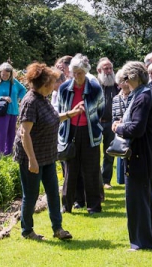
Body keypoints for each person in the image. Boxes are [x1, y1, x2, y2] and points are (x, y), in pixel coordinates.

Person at [14, 62, 83, 241]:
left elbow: (51, 118)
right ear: (44, 84)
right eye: (53, 82)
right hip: (32, 156)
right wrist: (32, 160)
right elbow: (25, 134)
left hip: (48, 155)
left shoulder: (43, 99)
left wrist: (70, 114)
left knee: (53, 192)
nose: (55, 85)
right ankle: (27, 231)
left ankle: (58, 229)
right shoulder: (30, 102)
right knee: (31, 195)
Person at [112, 61, 152, 251]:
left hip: (139, 155)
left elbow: (137, 128)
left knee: (137, 201)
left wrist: (118, 127)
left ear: (132, 77)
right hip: (145, 153)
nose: (122, 83)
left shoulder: (142, 97)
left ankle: (142, 243)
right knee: (146, 199)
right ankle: (151, 238)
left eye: (124, 78)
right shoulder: (147, 93)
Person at [58, 54, 105, 215]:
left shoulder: (94, 88)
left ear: (85, 72)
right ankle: (67, 205)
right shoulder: (64, 88)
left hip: (90, 132)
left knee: (91, 169)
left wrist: (91, 120)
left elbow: (101, 110)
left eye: (80, 73)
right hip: (71, 131)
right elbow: (61, 111)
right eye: (74, 73)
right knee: (71, 169)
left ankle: (94, 206)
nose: (77, 76)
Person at [0, 62, 27, 159]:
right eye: (3, 74)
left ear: (10, 74)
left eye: (7, 75)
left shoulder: (14, 82)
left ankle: (8, 155)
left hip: (13, 111)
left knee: (11, 135)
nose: (4, 76)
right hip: (0, 112)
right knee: (0, 136)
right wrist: (2, 98)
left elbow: (23, 90)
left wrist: (19, 98)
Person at [97, 58, 120, 189]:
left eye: (110, 68)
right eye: (106, 68)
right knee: (94, 152)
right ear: (99, 70)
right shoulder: (94, 84)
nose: (109, 71)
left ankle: (106, 181)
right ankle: (95, 180)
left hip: (111, 123)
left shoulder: (116, 85)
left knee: (109, 153)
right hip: (97, 123)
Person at [111, 69, 131, 185]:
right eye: (122, 81)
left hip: (130, 129)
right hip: (119, 132)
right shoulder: (116, 99)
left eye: (126, 80)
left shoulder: (135, 96)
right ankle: (121, 179)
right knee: (120, 153)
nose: (125, 83)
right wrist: (114, 125)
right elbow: (114, 116)